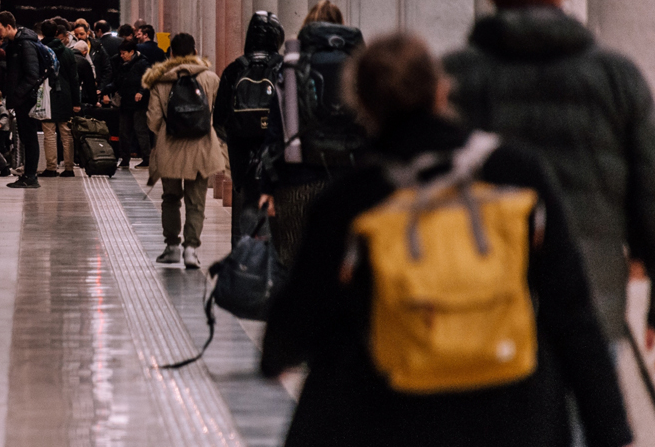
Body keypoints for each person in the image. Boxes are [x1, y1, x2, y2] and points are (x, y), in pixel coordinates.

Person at [262, 32, 633, 447]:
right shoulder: (517, 173)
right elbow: (572, 310)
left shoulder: (351, 199)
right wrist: (611, 428)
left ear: (362, 104)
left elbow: (300, 315)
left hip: (390, 413)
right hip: (514, 414)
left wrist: (275, 354)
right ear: (442, 89)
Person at [444, 0, 655, 352]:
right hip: (589, 308)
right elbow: (650, 197)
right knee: (588, 417)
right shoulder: (616, 78)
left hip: (479, 310)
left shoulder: (454, 78)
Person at [258, 0, 364, 268]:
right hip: (349, 182)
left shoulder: (292, 66)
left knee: (293, 265)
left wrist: (266, 188)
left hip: (297, 180)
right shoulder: (361, 67)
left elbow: (276, 128)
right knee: (343, 266)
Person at [143, 32, 225, 269]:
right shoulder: (210, 78)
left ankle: (171, 247)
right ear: (195, 52)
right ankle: (191, 249)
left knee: (170, 198)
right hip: (202, 147)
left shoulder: (160, 81)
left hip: (169, 148)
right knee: (196, 200)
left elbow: (153, 120)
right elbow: (219, 115)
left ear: (170, 54)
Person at [213, 11, 285, 247]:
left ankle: (243, 258)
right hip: (277, 150)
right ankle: (272, 260)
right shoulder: (283, 68)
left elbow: (220, 118)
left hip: (241, 151)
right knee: (278, 203)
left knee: (245, 202)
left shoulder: (235, 69)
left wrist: (237, 138)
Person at [0, 11, 42, 188]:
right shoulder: (15, 44)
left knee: (30, 138)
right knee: (27, 138)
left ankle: (31, 177)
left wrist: (17, 95)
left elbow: (31, 75)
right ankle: (28, 175)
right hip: (22, 100)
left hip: (26, 100)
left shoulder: (25, 45)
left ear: (8, 26)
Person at [40, 21, 80, 178]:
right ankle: (69, 168)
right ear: (57, 32)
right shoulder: (68, 53)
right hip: (65, 96)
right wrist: (76, 102)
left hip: (46, 96)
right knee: (66, 132)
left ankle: (51, 168)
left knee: (49, 133)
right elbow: (74, 79)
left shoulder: (39, 50)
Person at [103, 39, 152, 168]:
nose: (122, 55)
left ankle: (147, 158)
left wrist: (141, 92)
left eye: (124, 53)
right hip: (126, 102)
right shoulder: (122, 64)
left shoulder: (142, 63)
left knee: (140, 130)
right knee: (123, 131)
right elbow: (117, 82)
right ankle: (125, 158)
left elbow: (149, 80)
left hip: (139, 103)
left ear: (132, 52)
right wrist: (104, 90)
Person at [74, 21, 112, 95]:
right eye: (76, 35)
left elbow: (107, 68)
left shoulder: (97, 47)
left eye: (81, 34)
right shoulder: (72, 49)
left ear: (87, 33)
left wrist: (101, 88)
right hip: (80, 89)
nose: (79, 37)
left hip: (95, 88)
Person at [70, 39, 98, 107]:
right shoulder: (84, 62)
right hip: (76, 91)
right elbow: (89, 84)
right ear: (85, 52)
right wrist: (94, 101)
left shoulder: (67, 57)